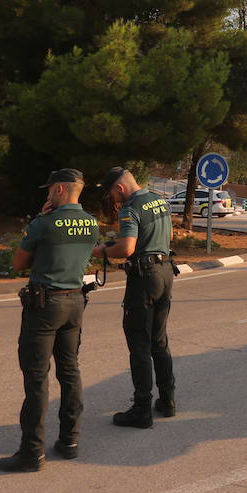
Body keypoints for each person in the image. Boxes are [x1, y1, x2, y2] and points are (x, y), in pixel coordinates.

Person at [0, 168, 99, 472]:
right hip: (74, 302)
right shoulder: (92, 223)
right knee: (69, 371)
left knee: (37, 378)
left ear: (59, 190)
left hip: (44, 305)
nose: (46, 194)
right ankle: (70, 441)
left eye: (49, 189)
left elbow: (18, 263)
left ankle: (31, 452)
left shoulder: (44, 223)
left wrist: (39, 221)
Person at [94, 167, 175, 428]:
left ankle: (141, 410)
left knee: (139, 343)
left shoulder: (132, 207)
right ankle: (167, 400)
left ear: (119, 188)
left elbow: (126, 247)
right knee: (159, 340)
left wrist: (100, 251)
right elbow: (169, 236)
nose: (115, 202)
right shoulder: (159, 200)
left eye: (113, 196)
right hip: (165, 272)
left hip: (145, 278)